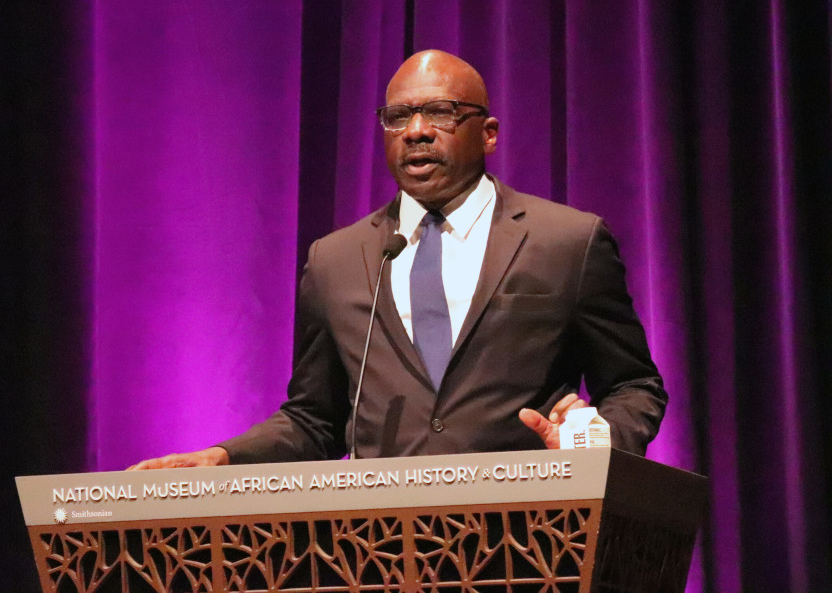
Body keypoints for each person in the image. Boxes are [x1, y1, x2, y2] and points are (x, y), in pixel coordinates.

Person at [128, 50, 666, 470]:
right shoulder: (337, 259)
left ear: (489, 133)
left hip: (528, 544)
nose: (416, 131)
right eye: (398, 116)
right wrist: (225, 458)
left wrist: (597, 443)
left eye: (441, 112)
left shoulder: (567, 242)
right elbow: (316, 419)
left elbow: (634, 386)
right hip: (383, 550)